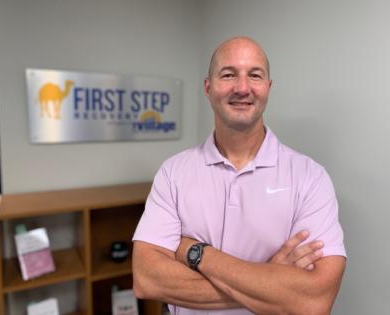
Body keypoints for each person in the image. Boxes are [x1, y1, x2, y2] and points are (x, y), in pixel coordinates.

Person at [132, 36, 346, 315]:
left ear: (268, 88)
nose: (242, 88)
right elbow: (147, 279)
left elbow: (314, 301)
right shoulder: (173, 173)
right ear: (208, 88)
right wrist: (272, 283)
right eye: (228, 75)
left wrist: (196, 252)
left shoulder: (310, 178)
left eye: (254, 75)